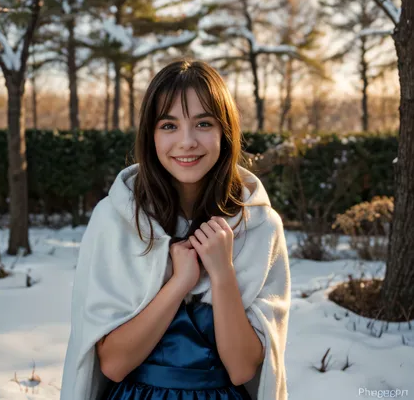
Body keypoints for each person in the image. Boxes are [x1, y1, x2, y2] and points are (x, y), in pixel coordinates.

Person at [59, 59, 291, 400]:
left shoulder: (260, 227)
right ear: (150, 134)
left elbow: (243, 369)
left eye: (203, 124)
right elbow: (112, 364)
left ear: (224, 132)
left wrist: (222, 272)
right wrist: (179, 282)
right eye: (169, 125)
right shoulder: (115, 220)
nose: (186, 142)